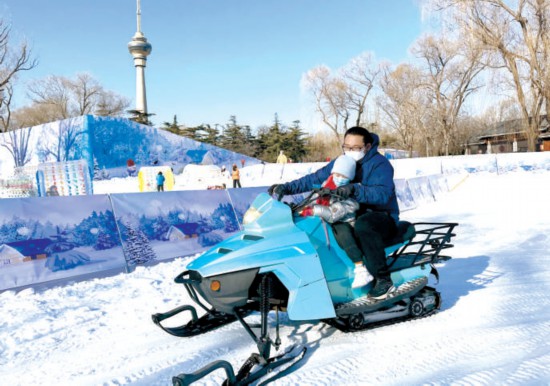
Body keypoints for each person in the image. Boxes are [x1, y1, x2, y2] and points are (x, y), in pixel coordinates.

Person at [268, 126, 399, 300]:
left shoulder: (380, 165)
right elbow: (316, 177)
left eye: (356, 148)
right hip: (351, 210)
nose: (350, 152)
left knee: (363, 225)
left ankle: (383, 279)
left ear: (367, 147)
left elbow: (383, 194)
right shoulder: (342, 161)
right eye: (347, 147)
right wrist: (287, 188)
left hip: (381, 215)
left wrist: (354, 190)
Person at [298, 155, 372, 288]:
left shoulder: (351, 193)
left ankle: (360, 269)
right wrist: (303, 207)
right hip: (328, 221)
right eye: (337, 174)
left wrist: (314, 210)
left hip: (347, 222)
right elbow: (316, 198)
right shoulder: (328, 183)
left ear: (350, 177)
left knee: (342, 231)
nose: (339, 178)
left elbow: (333, 214)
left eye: (344, 176)